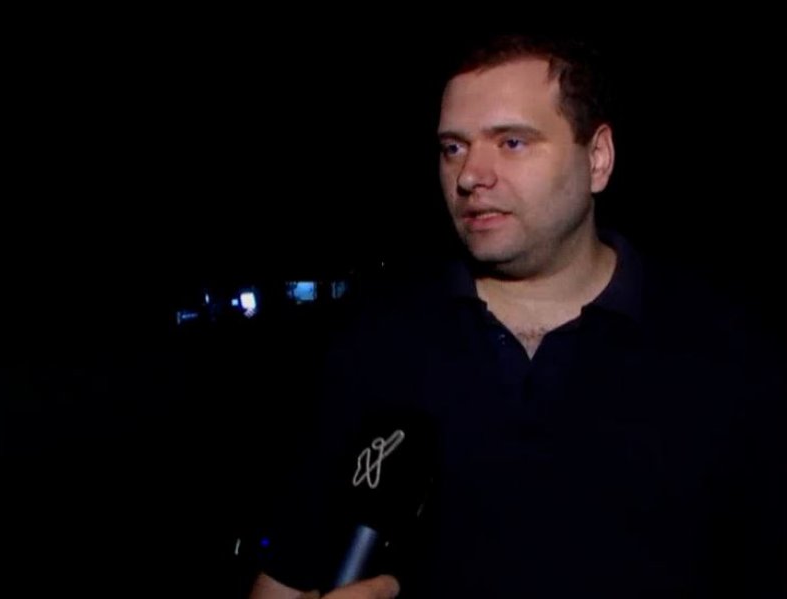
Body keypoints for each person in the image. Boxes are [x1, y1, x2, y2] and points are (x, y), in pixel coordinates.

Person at [249, 34, 785, 598]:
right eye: (453, 147)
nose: (469, 175)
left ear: (597, 158)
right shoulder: (377, 347)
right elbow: (286, 572)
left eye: (511, 142)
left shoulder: (727, 353)